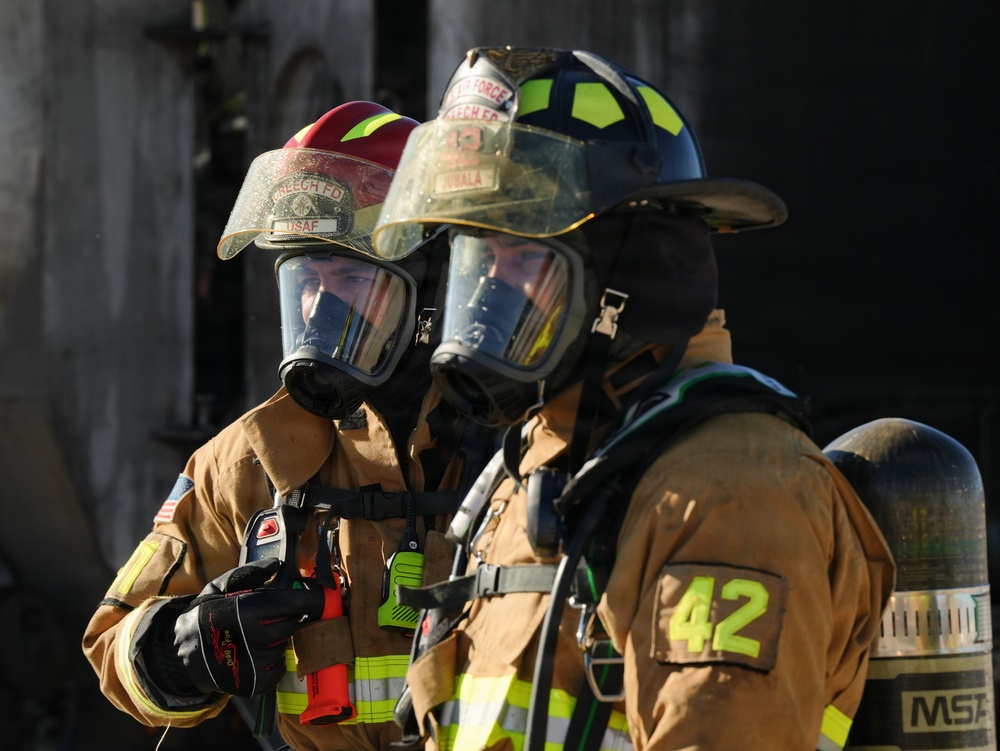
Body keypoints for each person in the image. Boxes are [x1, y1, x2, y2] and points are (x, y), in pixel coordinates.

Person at [370, 48, 896, 751]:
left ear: (624, 277)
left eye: (520, 257)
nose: (488, 292)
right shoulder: (544, 456)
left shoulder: (730, 489)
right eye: (478, 257)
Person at [82, 101, 496, 751]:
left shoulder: (518, 445)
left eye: (345, 278)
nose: (316, 304)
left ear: (430, 283)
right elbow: (112, 643)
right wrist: (187, 647)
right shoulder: (247, 462)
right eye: (302, 278)